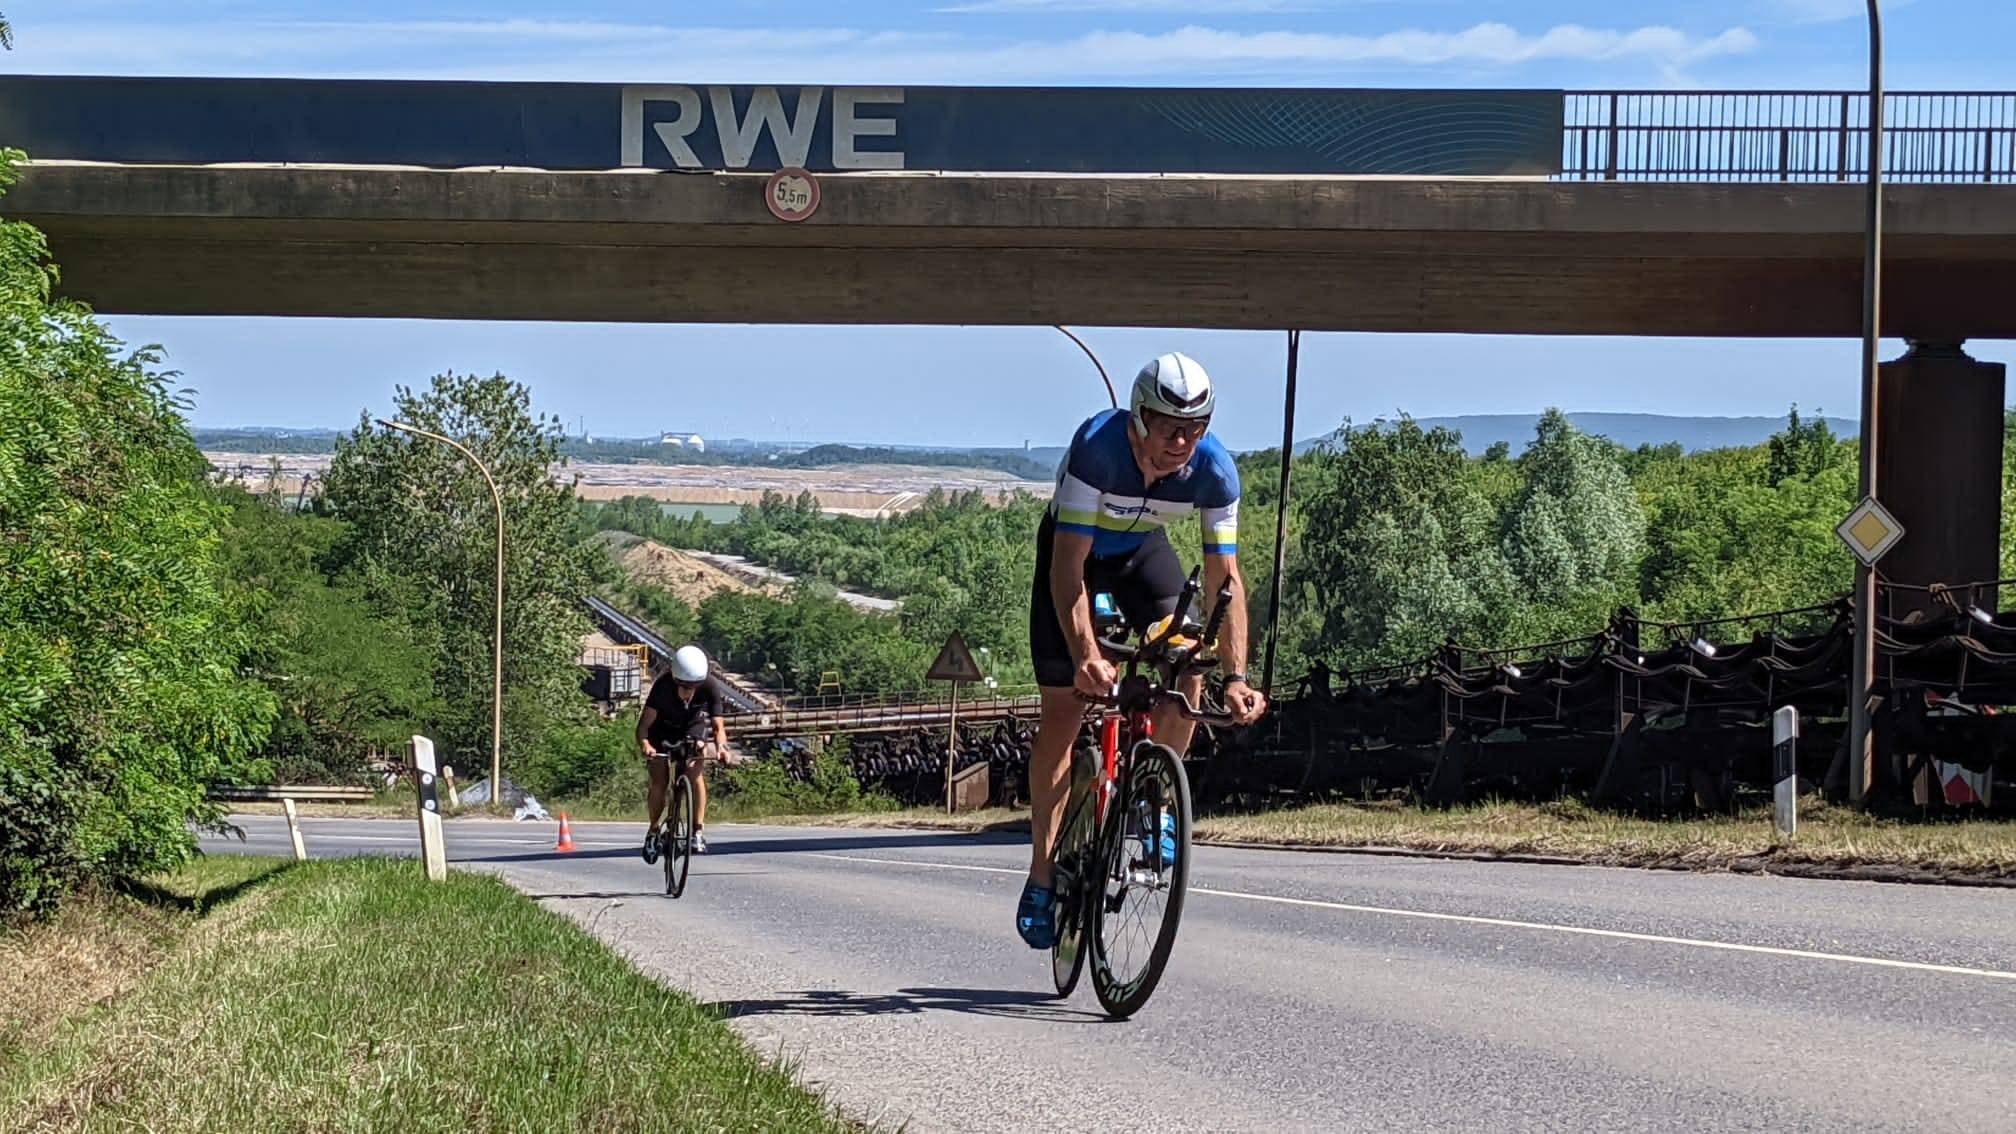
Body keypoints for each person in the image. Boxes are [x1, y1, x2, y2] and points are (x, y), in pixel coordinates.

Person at [1017, 351, 1269, 949]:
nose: (1181, 442)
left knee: (1189, 662)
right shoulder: (1098, 449)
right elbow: (1068, 569)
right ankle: (1042, 873)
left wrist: (1236, 674)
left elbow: (1224, 579)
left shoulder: (1216, 472)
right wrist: (1085, 652)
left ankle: (1154, 800)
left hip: (1139, 556)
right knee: (1064, 713)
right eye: (1168, 427)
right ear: (1138, 418)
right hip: (1074, 558)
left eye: (1195, 429)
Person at [637, 644, 730, 859]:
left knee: (695, 771)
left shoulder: (709, 685)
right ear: (675, 679)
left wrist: (722, 748)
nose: (688, 692)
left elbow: (718, 727)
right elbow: (643, 727)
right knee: (659, 780)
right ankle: (653, 830)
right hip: (661, 731)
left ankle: (697, 831)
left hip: (692, 728)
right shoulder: (662, 686)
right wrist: (646, 746)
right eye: (684, 686)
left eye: (694, 687)